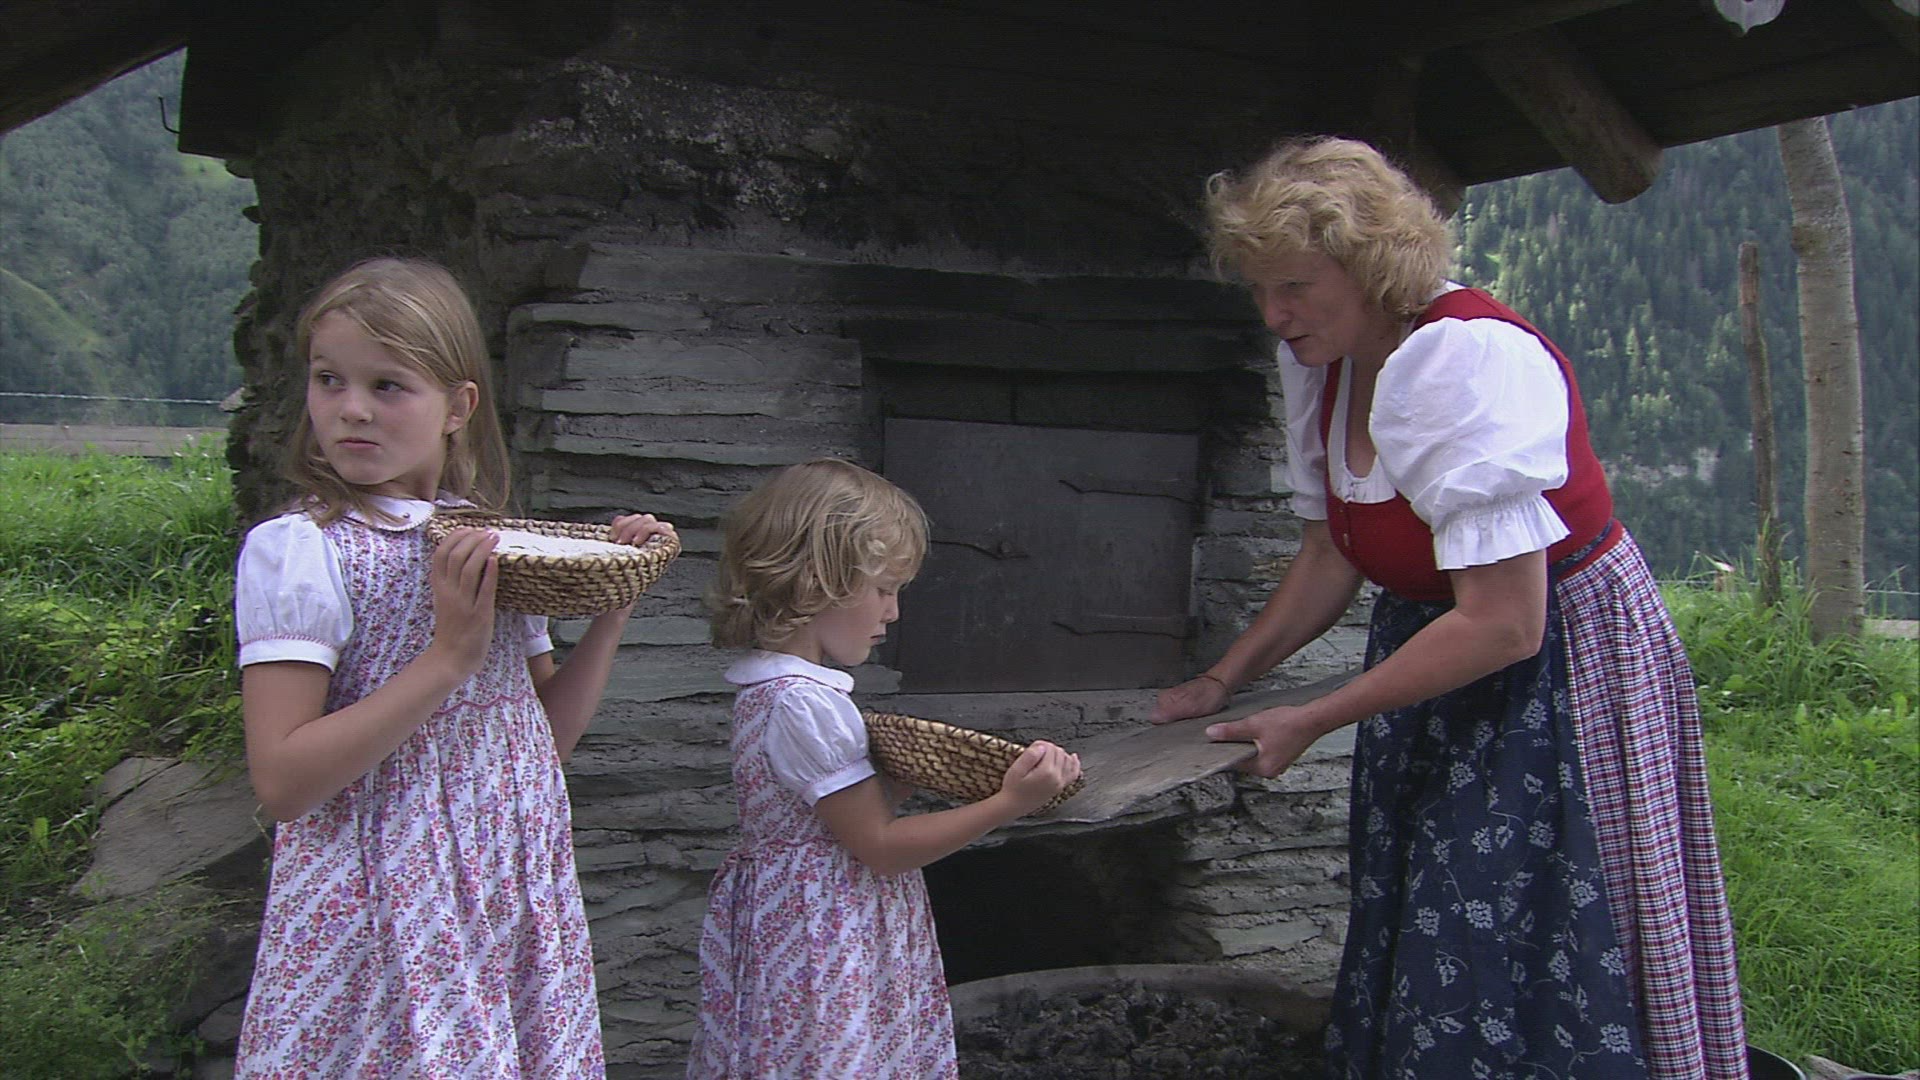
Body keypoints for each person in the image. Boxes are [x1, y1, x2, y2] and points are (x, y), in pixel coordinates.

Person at [1153, 138, 1748, 1080]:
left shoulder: (1462, 361)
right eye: (1260, 289)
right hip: (1438, 651)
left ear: (1372, 267)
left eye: (1295, 286)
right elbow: (1331, 551)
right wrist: (1223, 679)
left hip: (1562, 660)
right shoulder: (1327, 360)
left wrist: (1312, 716)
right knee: (1433, 905)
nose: (1273, 314)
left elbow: (1507, 623)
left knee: (1525, 916)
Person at [232, 256, 674, 1077]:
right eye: (329, 379)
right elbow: (284, 782)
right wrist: (446, 660)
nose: (351, 408)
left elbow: (543, 739)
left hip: (505, 896)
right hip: (383, 908)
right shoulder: (303, 551)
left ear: (457, 408)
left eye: (388, 386)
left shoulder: (490, 543)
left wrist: (612, 607)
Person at [686, 458, 1081, 1079]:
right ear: (819, 581)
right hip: (825, 932)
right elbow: (881, 847)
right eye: (884, 590)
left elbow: (827, 820)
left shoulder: (776, 691)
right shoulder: (805, 705)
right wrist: (1009, 803)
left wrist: (901, 776)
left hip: (801, 917)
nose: (893, 613)